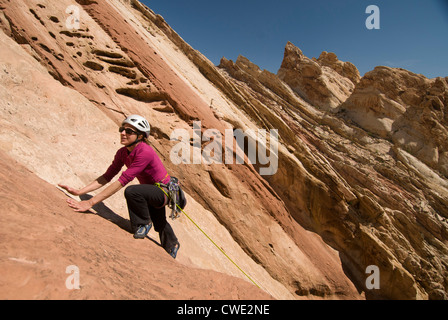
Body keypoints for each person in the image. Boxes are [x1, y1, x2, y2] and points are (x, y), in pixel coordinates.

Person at [59, 114, 180, 258]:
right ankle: (172, 244)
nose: (123, 133)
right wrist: (80, 192)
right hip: (150, 191)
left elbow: (123, 180)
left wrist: (90, 203)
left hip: (164, 191)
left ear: (141, 136)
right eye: (122, 129)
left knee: (132, 191)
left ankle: (142, 224)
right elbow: (107, 176)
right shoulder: (122, 153)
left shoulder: (145, 151)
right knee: (158, 221)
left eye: (129, 131)